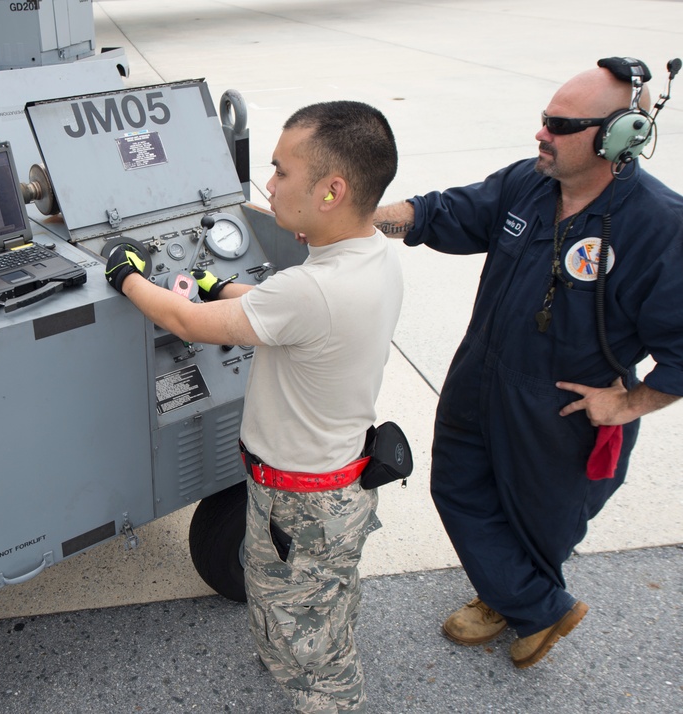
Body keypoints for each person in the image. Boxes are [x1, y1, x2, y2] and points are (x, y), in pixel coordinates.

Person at [373, 57, 683, 669]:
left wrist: (629, 402)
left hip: (563, 409)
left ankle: (522, 601)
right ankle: (530, 602)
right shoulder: (529, 184)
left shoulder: (660, 226)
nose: (541, 133)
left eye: (559, 125)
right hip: (480, 377)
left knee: (542, 520)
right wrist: (361, 217)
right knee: (458, 486)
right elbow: (447, 212)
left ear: (618, 136)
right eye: (544, 119)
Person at [105, 101, 402, 712]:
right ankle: (288, 657)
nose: (269, 186)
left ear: (331, 190)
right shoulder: (368, 256)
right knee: (312, 604)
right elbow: (282, 307)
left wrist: (126, 275)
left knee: (312, 646)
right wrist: (225, 285)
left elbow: (184, 319)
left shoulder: (310, 289)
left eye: (282, 172)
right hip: (326, 487)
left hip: (303, 502)